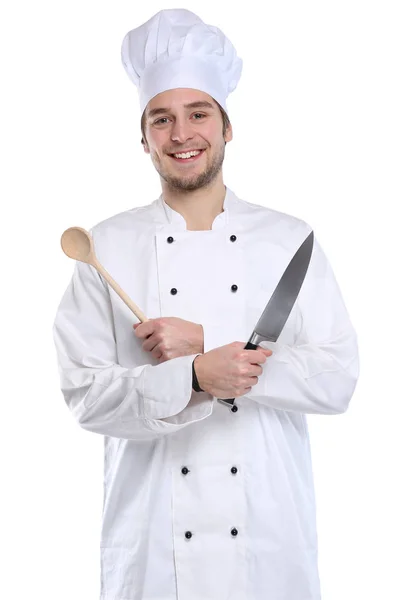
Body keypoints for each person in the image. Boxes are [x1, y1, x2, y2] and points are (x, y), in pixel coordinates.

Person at [52, 8, 359, 600]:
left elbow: (338, 380)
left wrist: (209, 341)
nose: (181, 134)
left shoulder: (289, 240)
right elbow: (84, 396)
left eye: (199, 114)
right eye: (161, 119)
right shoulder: (105, 248)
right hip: (153, 553)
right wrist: (191, 377)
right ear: (143, 137)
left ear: (227, 126)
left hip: (268, 548)